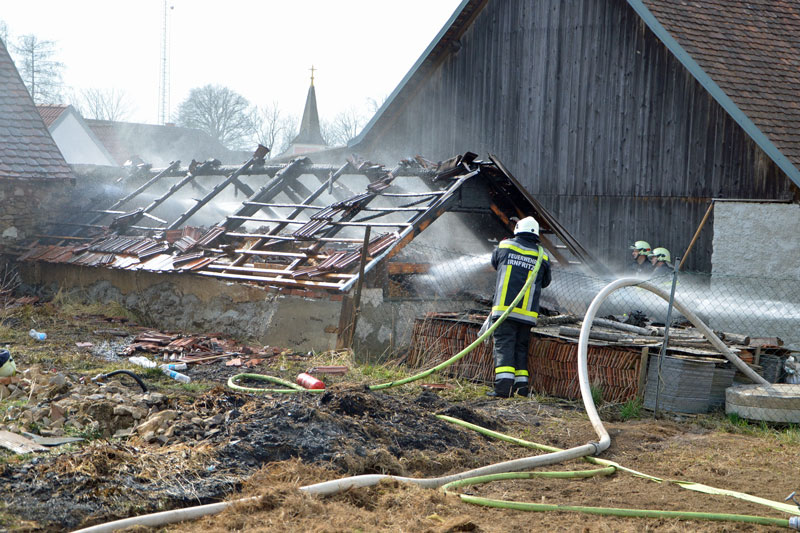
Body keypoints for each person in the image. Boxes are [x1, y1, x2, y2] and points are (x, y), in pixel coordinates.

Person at [488, 216, 551, 398]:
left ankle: (503, 389)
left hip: (504, 311)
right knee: (521, 348)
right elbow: (545, 282)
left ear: (517, 229)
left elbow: (495, 263)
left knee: (504, 346)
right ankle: (522, 388)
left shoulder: (505, 246)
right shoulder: (542, 255)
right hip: (528, 314)